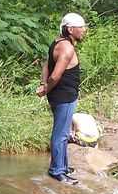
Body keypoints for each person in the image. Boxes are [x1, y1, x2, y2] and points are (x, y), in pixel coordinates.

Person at [37, 12, 88, 184]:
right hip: (64, 97)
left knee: (64, 132)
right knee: (60, 134)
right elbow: (56, 76)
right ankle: (57, 171)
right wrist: (46, 88)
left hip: (61, 95)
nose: (84, 30)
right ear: (70, 29)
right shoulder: (67, 48)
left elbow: (46, 64)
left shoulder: (57, 42)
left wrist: (44, 84)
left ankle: (63, 166)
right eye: (81, 27)